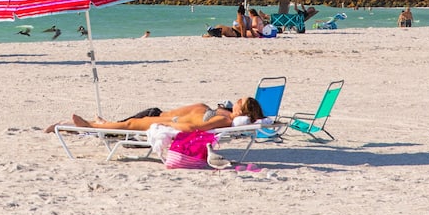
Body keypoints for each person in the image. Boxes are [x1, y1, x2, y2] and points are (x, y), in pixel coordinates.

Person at [44, 97, 264, 134]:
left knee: (131, 124)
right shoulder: (226, 113)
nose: (235, 101)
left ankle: (89, 128)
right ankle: (99, 125)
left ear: (243, 112)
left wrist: (171, 125)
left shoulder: (225, 120)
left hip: (171, 123)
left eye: (239, 102)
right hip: (167, 117)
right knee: (132, 122)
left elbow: (194, 129)